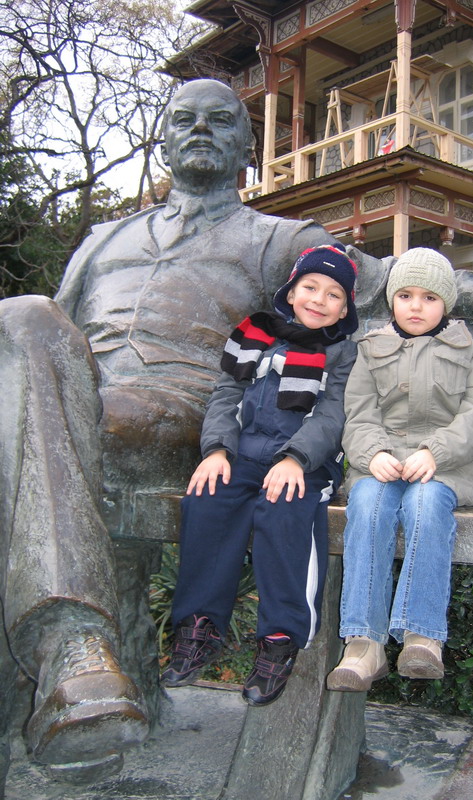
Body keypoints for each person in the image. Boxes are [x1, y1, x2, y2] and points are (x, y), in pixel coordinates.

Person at [0, 78, 386, 782]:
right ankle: (76, 686)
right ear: (164, 140)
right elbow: (34, 354)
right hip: (81, 403)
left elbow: (383, 281)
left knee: (22, 317)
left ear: (246, 147)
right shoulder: (103, 238)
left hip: (185, 412)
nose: (200, 129)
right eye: (184, 119)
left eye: (219, 120)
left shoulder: (278, 239)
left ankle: (72, 640)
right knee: (23, 322)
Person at [161, 244, 359, 706]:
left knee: (284, 509)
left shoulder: (343, 354)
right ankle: (199, 626)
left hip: (307, 463)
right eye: (310, 287)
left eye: (333, 294)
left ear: (344, 309)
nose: (319, 299)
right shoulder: (256, 338)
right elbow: (225, 396)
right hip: (244, 455)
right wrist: (216, 450)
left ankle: (279, 639)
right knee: (207, 499)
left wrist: (296, 459)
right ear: (290, 292)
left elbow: (333, 415)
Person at [327, 248, 473, 691]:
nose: (416, 306)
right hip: (381, 465)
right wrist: (373, 454)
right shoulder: (370, 351)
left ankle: (422, 635)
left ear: (446, 303)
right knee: (367, 504)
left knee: (426, 503)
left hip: (446, 468)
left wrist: (436, 452)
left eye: (429, 297)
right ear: (392, 301)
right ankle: (363, 644)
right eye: (405, 296)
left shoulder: (470, 352)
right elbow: (358, 415)